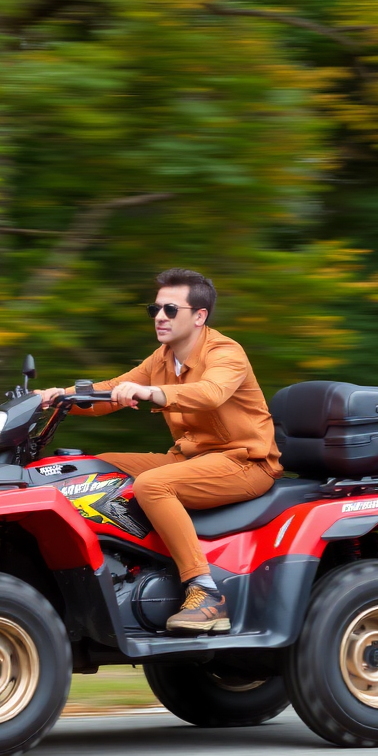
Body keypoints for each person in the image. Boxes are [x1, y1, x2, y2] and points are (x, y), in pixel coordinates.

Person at [37, 268, 282, 633]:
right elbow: (112, 390)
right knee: (82, 469)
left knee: (153, 485)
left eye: (171, 310)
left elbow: (211, 393)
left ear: (200, 316)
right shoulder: (163, 358)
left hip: (245, 462)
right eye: (155, 310)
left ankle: (206, 592)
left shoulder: (226, 352)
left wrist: (154, 393)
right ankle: (131, 569)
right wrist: (60, 396)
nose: (160, 318)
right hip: (190, 458)